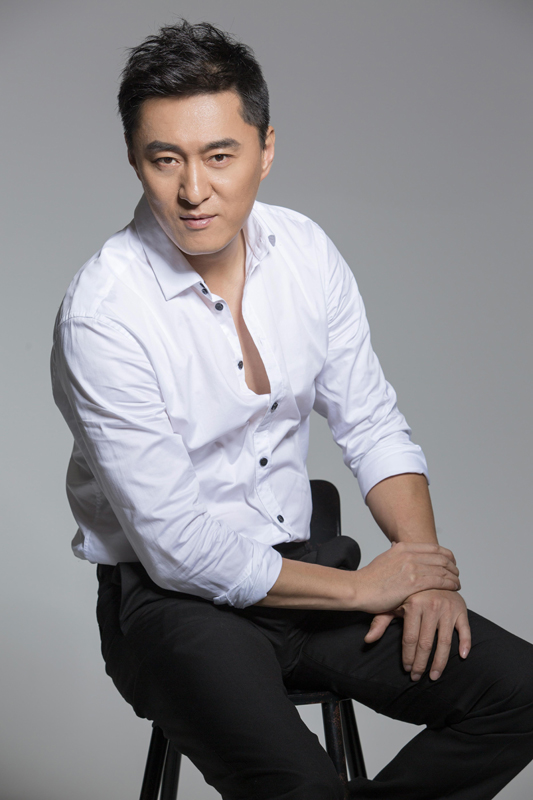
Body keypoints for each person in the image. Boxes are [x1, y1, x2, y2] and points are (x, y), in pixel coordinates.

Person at [51, 20, 533, 800]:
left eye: (219, 156)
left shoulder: (305, 253)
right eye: (165, 159)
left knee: (518, 696)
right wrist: (365, 589)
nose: (193, 190)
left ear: (265, 149)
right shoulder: (104, 314)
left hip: (304, 575)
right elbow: (175, 547)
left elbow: (369, 422)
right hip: (172, 608)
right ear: (135, 158)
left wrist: (421, 570)